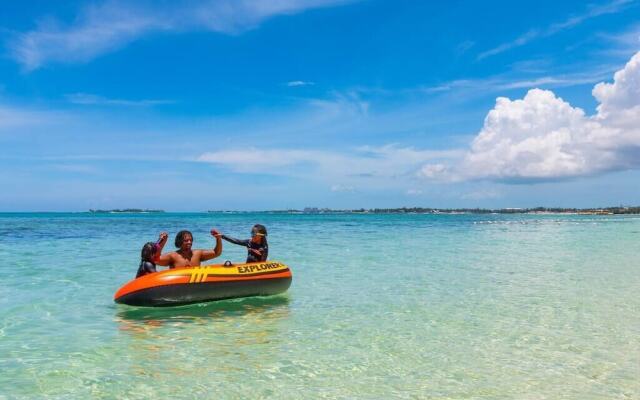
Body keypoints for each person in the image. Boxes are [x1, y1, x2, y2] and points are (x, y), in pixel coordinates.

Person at [156, 229, 223, 268]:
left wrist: (218, 239)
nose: (189, 242)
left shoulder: (197, 254)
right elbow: (156, 260)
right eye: (186, 240)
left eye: (191, 240)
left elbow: (217, 253)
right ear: (179, 241)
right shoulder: (172, 256)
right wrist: (162, 241)